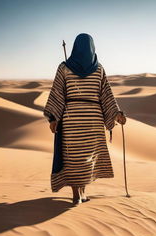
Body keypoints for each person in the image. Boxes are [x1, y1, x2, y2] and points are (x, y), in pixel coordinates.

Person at [43, 33, 126, 205]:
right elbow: (106, 96)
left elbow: (58, 94)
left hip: (72, 119)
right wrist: (116, 114)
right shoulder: (99, 68)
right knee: (87, 157)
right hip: (93, 120)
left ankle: (77, 193)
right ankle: (81, 193)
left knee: (73, 157)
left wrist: (53, 118)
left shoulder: (64, 67)